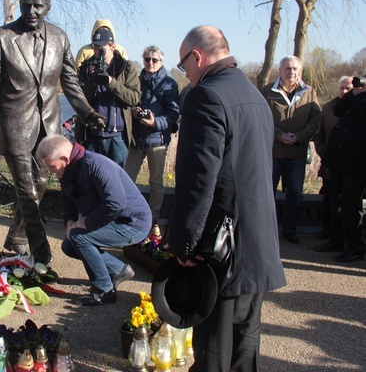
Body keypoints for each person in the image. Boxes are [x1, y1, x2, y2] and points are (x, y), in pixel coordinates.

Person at [167, 25, 286, 371]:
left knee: (214, 346)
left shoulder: (206, 96)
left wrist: (185, 244)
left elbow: (198, 179)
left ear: (197, 56)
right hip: (256, 237)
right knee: (245, 338)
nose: (185, 74)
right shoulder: (254, 95)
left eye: (183, 65)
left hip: (223, 243)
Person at [0, 0, 105, 264]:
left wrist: (88, 113)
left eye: (38, 6)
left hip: (49, 126)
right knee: (26, 189)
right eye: (26, 4)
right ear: (20, 2)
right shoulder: (1, 37)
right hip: (15, 124)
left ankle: (16, 236)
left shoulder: (60, 37)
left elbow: (70, 83)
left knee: (39, 185)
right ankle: (41, 255)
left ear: (48, 7)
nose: (32, 11)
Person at [36, 134, 152, 306]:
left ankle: (104, 290)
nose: (51, 171)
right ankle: (119, 270)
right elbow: (67, 199)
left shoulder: (95, 165)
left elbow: (116, 204)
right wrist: (69, 222)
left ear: (64, 158)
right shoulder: (69, 170)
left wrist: (83, 223)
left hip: (132, 223)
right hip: (114, 220)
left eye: (52, 166)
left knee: (78, 237)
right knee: (69, 245)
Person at [263, 55, 321, 244]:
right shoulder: (267, 91)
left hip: (296, 153)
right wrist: (278, 134)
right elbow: (262, 117)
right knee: (267, 192)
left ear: (300, 71)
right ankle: (266, 231)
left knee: (295, 193)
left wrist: (299, 137)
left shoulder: (309, 92)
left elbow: (315, 119)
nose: (292, 72)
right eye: (288, 68)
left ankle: (290, 230)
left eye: (295, 69)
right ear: (280, 70)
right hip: (273, 153)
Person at [124, 45, 180, 222]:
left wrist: (155, 121)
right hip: (137, 139)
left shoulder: (169, 84)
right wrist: (133, 110)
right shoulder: (135, 81)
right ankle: (128, 213)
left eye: (154, 60)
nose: (150, 63)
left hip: (158, 140)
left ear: (161, 62)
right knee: (126, 178)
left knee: (156, 182)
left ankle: (153, 217)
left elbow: (173, 114)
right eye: (147, 59)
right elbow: (129, 100)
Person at [75, 27, 140, 167]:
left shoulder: (126, 67)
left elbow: (134, 98)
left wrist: (111, 82)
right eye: (95, 47)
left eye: (102, 47)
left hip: (117, 138)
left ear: (113, 46)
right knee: (91, 179)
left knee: (116, 181)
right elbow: (78, 100)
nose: (98, 51)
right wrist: (92, 81)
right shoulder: (86, 68)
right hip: (92, 135)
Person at [321, 75, 366, 263]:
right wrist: (352, 95)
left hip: (355, 165)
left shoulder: (362, 102)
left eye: (354, 87)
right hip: (338, 162)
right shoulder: (352, 100)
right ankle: (336, 240)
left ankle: (355, 247)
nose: (350, 90)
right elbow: (338, 111)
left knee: (351, 207)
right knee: (334, 203)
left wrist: (360, 97)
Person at [313, 76, 353, 250]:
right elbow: (319, 135)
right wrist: (326, 154)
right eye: (342, 88)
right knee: (331, 201)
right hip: (330, 164)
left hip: (352, 167)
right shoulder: (328, 108)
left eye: (348, 88)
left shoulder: (359, 108)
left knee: (350, 205)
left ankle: (349, 240)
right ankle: (332, 235)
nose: (344, 92)